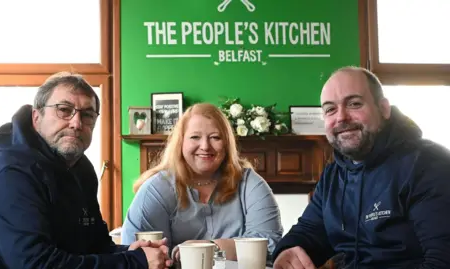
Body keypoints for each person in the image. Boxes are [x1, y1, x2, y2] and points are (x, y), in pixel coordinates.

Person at [0, 72, 172, 269]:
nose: (76, 123)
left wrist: (129, 252)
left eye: (87, 115)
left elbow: (96, 246)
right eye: (64, 110)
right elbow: (35, 264)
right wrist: (134, 262)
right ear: (36, 116)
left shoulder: (81, 170)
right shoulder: (10, 175)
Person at [272, 66, 450, 269]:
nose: (341, 117)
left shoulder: (428, 163)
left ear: (383, 109)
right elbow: (310, 230)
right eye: (330, 109)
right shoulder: (334, 173)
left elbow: (442, 260)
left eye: (354, 104)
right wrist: (288, 250)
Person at [121, 103, 283, 261]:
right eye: (195, 137)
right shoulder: (156, 188)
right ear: (181, 142)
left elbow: (270, 243)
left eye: (215, 137)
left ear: (227, 143)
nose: (205, 146)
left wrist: (208, 248)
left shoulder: (250, 183)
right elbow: (134, 253)